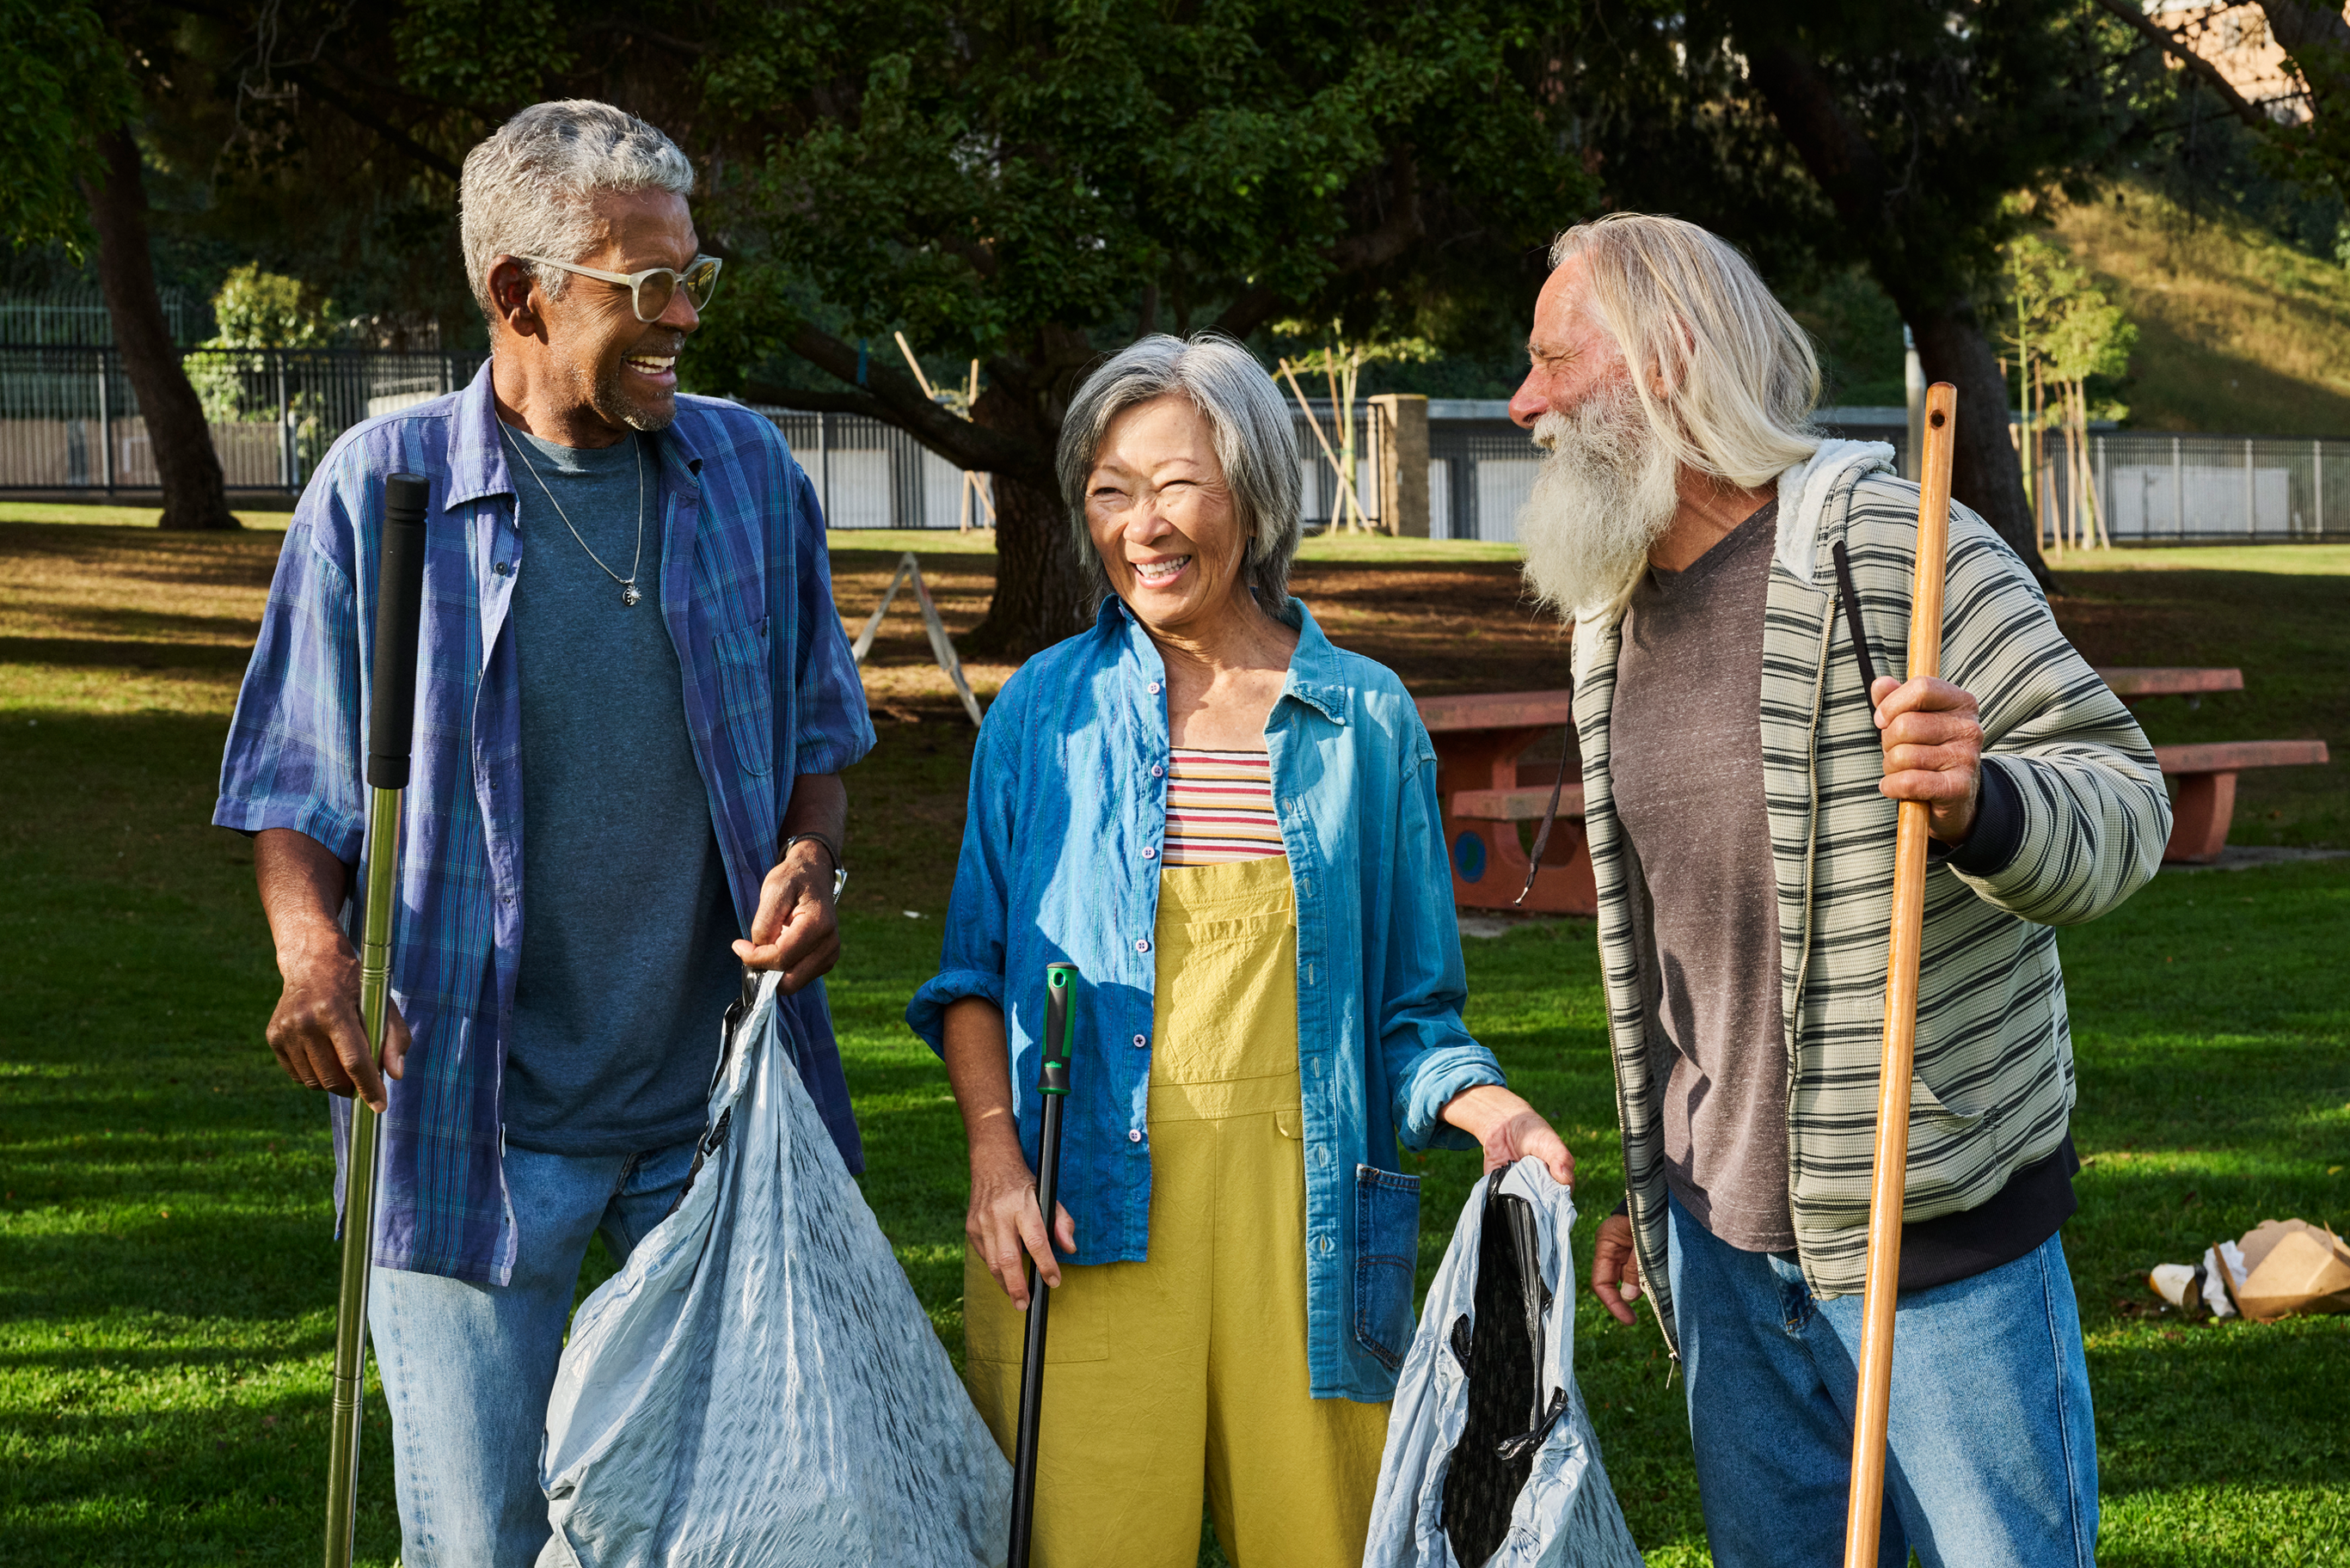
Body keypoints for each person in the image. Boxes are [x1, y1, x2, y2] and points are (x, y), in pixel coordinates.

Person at [214, 100, 874, 1566]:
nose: (685, 317)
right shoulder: (382, 495)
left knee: (741, 1527)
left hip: (712, 1119)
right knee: (479, 1538)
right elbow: (292, 781)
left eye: (696, 276)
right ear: (520, 294)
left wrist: (812, 867)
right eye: (649, 288)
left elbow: (819, 745)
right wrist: (313, 950)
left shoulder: (752, 477)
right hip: (461, 1115)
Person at [1509, 212, 2169, 1566]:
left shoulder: (1895, 545)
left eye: (1549, 361)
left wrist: (1986, 800)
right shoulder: (1609, 606)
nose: (1522, 403)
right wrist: (1657, 1182)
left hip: (1935, 1246)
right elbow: (1678, 945)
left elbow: (2124, 798)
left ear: (1665, 356)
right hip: (1724, 1261)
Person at [906, 334, 1578, 1568]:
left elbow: (1413, 1013)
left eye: (1174, 485)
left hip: (1311, 1242)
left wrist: (1490, 1111)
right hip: (1077, 1223)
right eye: (1108, 490)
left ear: (1253, 497)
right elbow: (968, 976)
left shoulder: (1368, 719)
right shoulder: (1039, 715)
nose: (1140, 526)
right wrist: (998, 1158)